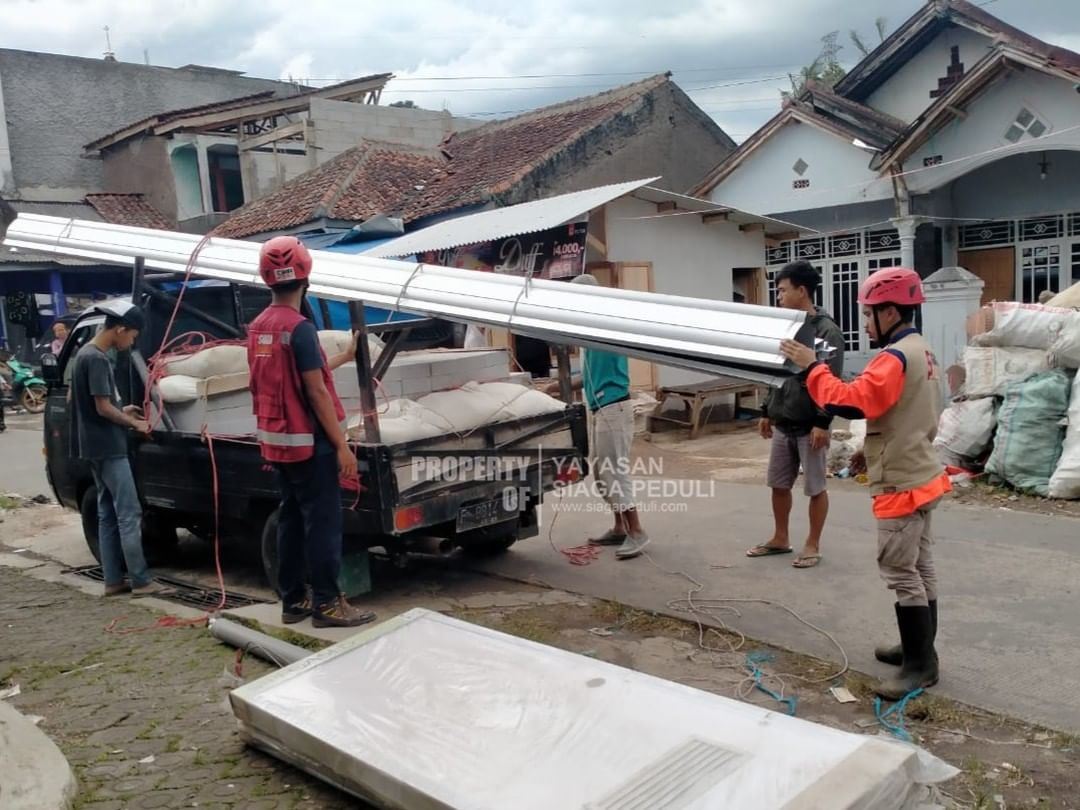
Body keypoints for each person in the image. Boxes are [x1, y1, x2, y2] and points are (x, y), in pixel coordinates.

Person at [780, 267, 951, 700]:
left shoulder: (894, 357)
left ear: (890, 312)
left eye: (869, 314)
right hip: (922, 470)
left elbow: (851, 402)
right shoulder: (922, 349)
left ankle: (920, 665)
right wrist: (870, 445)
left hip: (901, 480)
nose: (866, 323)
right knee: (919, 565)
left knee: (900, 570)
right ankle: (918, 649)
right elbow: (901, 408)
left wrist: (812, 367)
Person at [248, 236, 376, 629]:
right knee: (322, 525)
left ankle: (293, 601)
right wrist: (341, 445)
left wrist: (343, 356)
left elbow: (298, 375)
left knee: (290, 520)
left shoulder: (259, 327)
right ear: (306, 275)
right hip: (310, 443)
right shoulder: (299, 329)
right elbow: (315, 390)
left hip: (278, 442)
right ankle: (327, 603)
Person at [748, 262, 844, 569]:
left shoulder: (825, 331)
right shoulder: (785, 327)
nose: (779, 297)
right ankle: (780, 538)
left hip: (810, 424)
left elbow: (832, 380)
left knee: (815, 487)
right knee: (778, 484)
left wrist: (822, 421)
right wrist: (767, 410)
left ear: (802, 291)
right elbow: (774, 371)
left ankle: (812, 544)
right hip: (783, 421)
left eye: (783, 290)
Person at [545, 273, 649, 560]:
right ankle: (619, 527)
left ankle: (636, 530)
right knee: (602, 473)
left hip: (614, 407)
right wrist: (559, 385)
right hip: (600, 409)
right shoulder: (588, 335)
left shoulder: (606, 325)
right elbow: (589, 376)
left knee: (614, 470)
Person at [69, 300, 167, 597]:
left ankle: (113, 580)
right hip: (109, 447)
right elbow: (102, 408)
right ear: (121, 329)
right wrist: (133, 423)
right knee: (128, 512)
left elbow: (88, 402)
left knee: (107, 513)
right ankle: (140, 580)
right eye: (133, 336)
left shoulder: (84, 354)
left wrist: (121, 409)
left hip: (94, 447)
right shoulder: (97, 359)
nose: (132, 343)